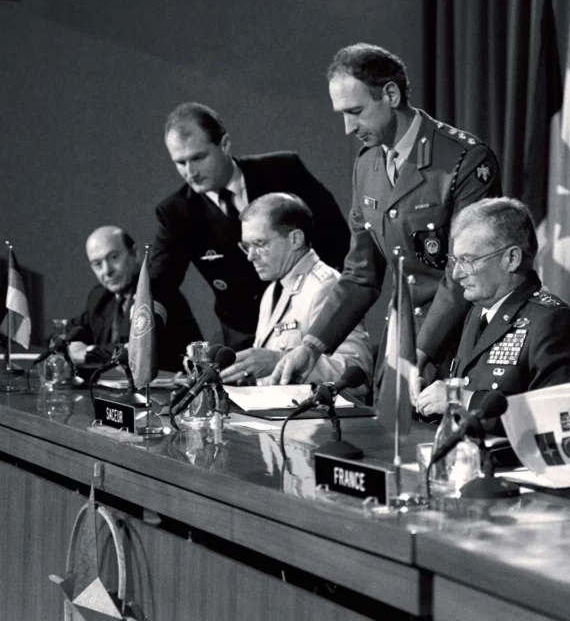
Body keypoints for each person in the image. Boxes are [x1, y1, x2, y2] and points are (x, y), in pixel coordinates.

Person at [269, 43, 501, 388]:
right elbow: (360, 275)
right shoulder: (367, 165)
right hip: (401, 340)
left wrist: (416, 354)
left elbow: (464, 270)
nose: (348, 127)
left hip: (458, 345)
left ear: (391, 94)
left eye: (356, 111)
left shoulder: (463, 159)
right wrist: (311, 346)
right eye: (343, 114)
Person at [150, 102, 348, 350]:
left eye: (198, 158)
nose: (191, 172)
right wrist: (144, 331)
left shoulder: (285, 171)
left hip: (309, 317)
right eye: (180, 163)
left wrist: (322, 296)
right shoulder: (177, 212)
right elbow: (159, 283)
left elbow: (337, 237)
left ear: (225, 144)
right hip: (243, 333)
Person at [414, 198, 570, 419]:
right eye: (455, 261)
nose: (457, 274)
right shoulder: (477, 314)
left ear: (511, 259)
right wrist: (427, 398)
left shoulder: (555, 324)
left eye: (468, 261)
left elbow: (563, 416)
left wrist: (460, 400)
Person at [219, 193, 372, 394]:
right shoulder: (272, 291)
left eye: (260, 244)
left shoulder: (326, 286)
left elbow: (357, 373)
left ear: (295, 239)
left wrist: (278, 361)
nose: (250, 256)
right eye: (246, 246)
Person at [69, 226, 201, 372]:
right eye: (97, 264)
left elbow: (134, 351)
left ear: (135, 253)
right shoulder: (100, 296)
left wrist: (87, 353)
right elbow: (70, 331)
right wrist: (71, 343)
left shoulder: (155, 290)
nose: (107, 270)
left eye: (113, 257)